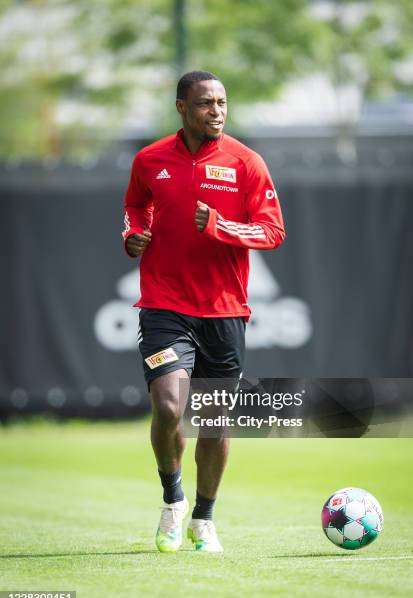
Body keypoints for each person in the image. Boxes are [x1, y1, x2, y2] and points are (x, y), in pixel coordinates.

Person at [122, 70, 285, 553]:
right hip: (163, 305)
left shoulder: (246, 162)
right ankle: (173, 501)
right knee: (170, 406)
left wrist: (221, 227)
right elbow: (135, 206)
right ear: (181, 108)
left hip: (224, 312)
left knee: (213, 421)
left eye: (221, 102)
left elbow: (272, 231)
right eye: (204, 103)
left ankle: (203, 519)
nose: (215, 111)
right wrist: (133, 235)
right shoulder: (150, 160)